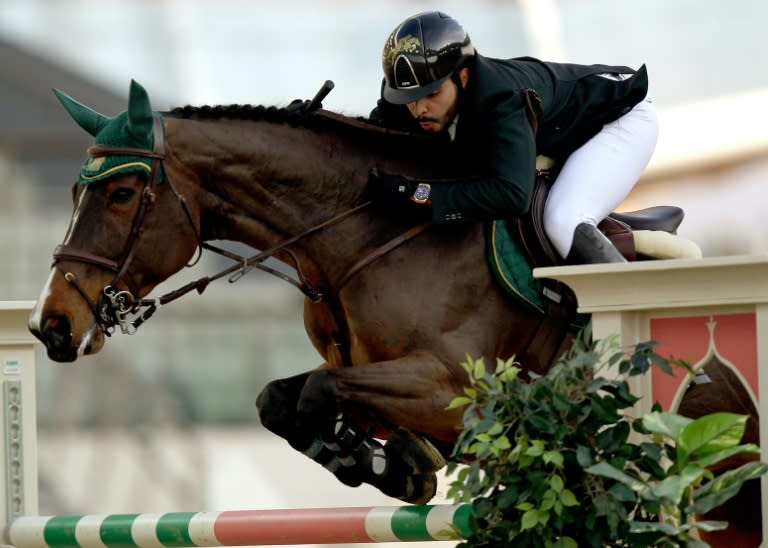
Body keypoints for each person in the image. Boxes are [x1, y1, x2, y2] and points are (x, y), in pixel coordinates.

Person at [367, 11, 659, 264]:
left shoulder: (500, 100)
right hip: (562, 126)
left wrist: (418, 194)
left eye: (431, 94)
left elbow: (511, 195)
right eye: (410, 98)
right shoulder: (412, 92)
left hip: (621, 118)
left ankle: (631, 314)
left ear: (464, 77)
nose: (419, 109)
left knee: (562, 221)